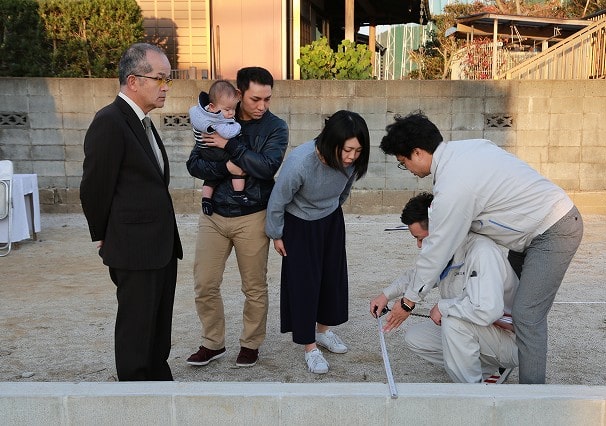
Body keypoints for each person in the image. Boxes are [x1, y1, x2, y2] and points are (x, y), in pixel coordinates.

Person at [378, 111, 583, 384]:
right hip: (530, 232)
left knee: (526, 316)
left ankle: (533, 399)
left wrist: (408, 302)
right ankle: (496, 365)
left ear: (417, 153)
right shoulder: (469, 149)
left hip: (552, 229)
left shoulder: (453, 185)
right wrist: (391, 292)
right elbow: (431, 257)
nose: (410, 171)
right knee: (504, 305)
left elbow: (435, 251)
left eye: (404, 163)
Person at [79, 43, 183, 381]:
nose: (166, 86)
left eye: (169, 79)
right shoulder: (110, 122)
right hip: (134, 248)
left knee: (157, 325)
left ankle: (157, 379)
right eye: (160, 78)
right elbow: (94, 187)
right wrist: (101, 236)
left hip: (160, 247)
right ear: (134, 80)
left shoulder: (143, 122)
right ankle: (135, 394)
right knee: (136, 329)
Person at [185, 66, 289, 368]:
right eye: (256, 99)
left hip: (253, 215)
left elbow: (266, 167)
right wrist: (227, 169)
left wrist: (228, 145)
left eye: (267, 99)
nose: (262, 106)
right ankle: (212, 343)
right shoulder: (213, 118)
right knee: (204, 283)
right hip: (214, 215)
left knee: (254, 287)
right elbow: (194, 164)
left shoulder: (275, 128)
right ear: (239, 94)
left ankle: (250, 344)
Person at [370, 193, 518, 383]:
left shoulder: (482, 252)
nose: (419, 246)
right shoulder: (445, 250)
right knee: (416, 337)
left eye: (421, 238)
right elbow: (418, 276)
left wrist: (443, 307)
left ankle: (473, 394)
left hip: (509, 340)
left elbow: (487, 310)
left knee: (453, 321)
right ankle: (489, 370)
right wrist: (385, 295)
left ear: (441, 230)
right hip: (483, 332)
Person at [265, 110, 370, 374]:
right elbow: (278, 200)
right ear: (331, 141)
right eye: (347, 150)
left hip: (331, 221)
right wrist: (277, 234)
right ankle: (309, 347)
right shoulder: (301, 161)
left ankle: (323, 332)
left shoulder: (352, 163)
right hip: (299, 225)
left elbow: (344, 190)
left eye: (357, 151)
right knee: (304, 284)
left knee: (332, 279)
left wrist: (332, 210)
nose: (351, 157)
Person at [189, 80, 250, 215]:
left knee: (211, 178)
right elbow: (227, 133)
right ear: (212, 106)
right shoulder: (215, 120)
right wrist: (237, 127)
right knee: (238, 163)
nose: (231, 113)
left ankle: (206, 199)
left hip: (206, 151)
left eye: (234, 109)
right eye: (227, 110)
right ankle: (239, 193)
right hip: (213, 150)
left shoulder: (202, 113)